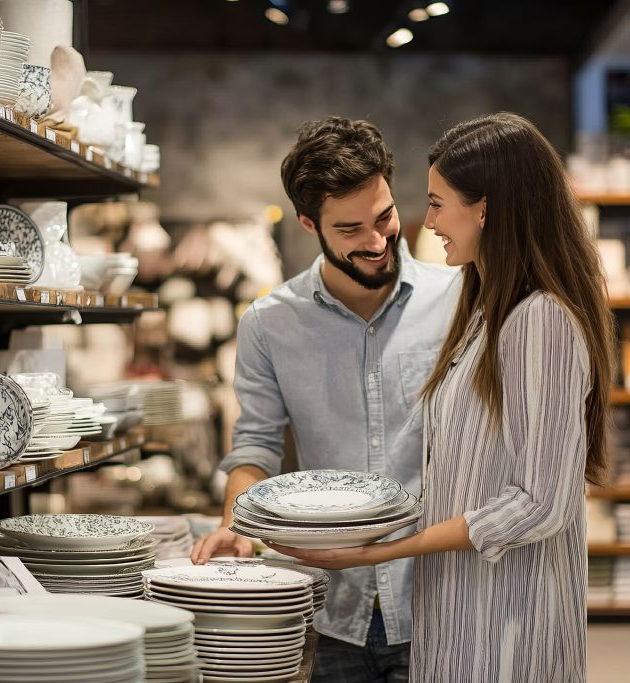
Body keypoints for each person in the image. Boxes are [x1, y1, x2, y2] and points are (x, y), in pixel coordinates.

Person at [268, 112, 617, 683]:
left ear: (486, 208)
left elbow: (541, 502)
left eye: (436, 203)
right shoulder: (485, 310)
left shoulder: (539, 321)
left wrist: (382, 550)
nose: (426, 224)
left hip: (507, 628)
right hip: (460, 619)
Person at [191, 115, 461, 682]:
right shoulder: (269, 324)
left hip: (442, 601)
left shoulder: (461, 300)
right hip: (334, 609)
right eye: (350, 229)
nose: (376, 240)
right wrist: (237, 523)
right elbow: (256, 446)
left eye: (384, 216)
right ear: (308, 223)